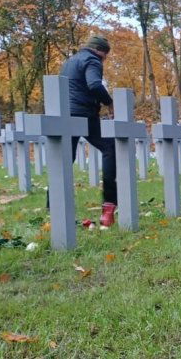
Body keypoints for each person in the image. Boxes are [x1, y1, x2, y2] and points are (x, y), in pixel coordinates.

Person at [60, 35, 117, 226]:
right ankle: (108, 207)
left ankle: (54, 207)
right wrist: (109, 102)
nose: (105, 60)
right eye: (105, 56)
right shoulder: (92, 60)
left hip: (65, 113)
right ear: (100, 51)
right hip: (83, 113)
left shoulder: (70, 61)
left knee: (64, 160)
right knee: (110, 148)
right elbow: (94, 84)